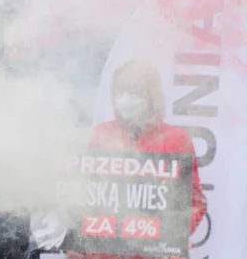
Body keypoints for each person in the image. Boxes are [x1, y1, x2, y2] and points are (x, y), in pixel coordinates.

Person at [71, 59, 206, 259]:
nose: (124, 99)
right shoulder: (98, 137)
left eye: (133, 92)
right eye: (119, 92)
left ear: (151, 96)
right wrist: (76, 245)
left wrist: (171, 238)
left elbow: (195, 203)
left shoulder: (176, 140)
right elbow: (78, 196)